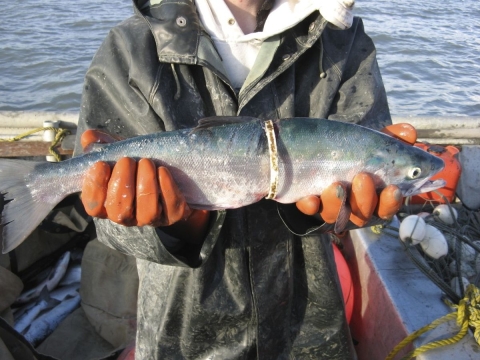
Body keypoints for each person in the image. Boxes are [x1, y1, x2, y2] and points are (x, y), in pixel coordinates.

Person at [75, 0, 417, 358]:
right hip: (181, 337)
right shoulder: (133, 47)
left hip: (309, 333)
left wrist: (328, 213)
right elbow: (105, 221)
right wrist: (177, 228)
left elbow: (370, 170)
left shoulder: (341, 38)